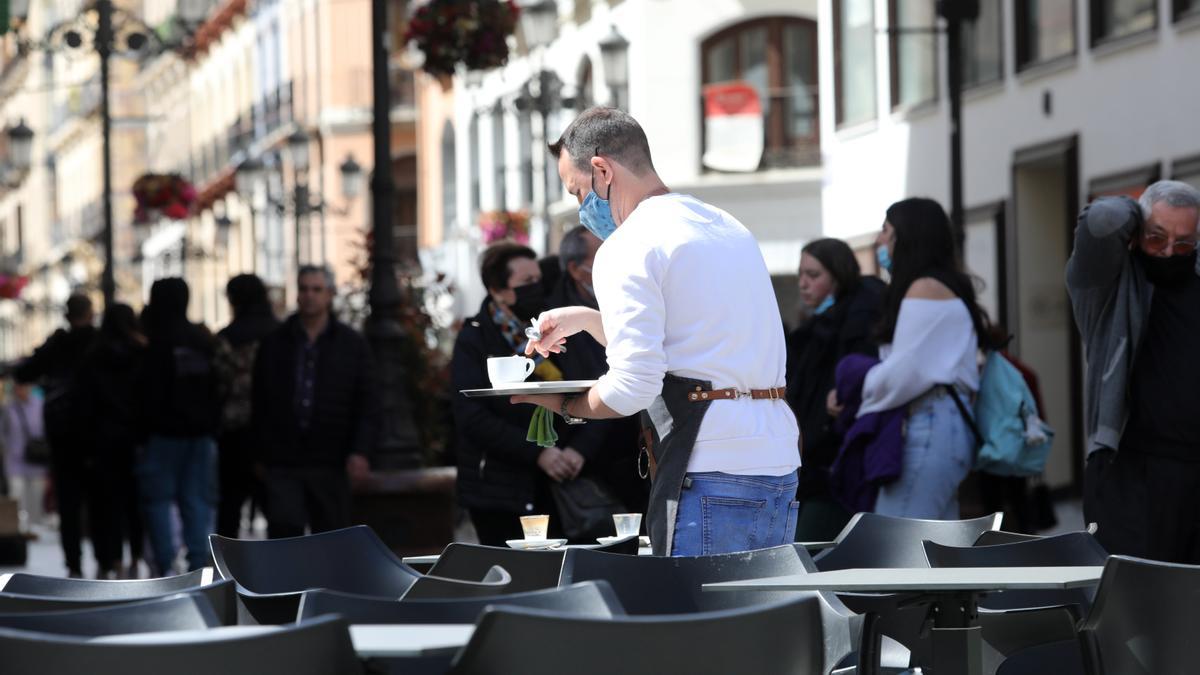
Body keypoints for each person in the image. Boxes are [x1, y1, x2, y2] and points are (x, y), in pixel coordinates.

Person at [518, 107, 800, 556]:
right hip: (776, 458)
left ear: (602, 170)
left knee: (696, 626)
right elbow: (695, 342)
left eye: (577, 192)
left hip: (707, 465)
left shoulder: (627, 246)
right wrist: (589, 321)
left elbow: (632, 385)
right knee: (759, 624)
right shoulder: (726, 226)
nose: (580, 208)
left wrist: (563, 403)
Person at [833, 198, 992, 520]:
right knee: (930, 551)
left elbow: (905, 371)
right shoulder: (935, 285)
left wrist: (857, 388)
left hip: (929, 422)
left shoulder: (925, 288)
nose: (880, 240)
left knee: (899, 548)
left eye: (885, 230)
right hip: (939, 422)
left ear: (908, 236)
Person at [1067, 180, 1200, 562]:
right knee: (1135, 607)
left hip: (1194, 476)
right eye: (1157, 237)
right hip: (1129, 473)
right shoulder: (1106, 282)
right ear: (1137, 233)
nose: (1170, 251)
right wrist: (1136, 210)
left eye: (1185, 243)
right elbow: (1100, 221)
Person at [450, 242, 574, 545]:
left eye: (538, 280)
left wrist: (574, 450)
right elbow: (471, 415)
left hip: (553, 483)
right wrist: (537, 452)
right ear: (498, 290)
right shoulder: (474, 339)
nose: (537, 288)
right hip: (495, 488)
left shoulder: (549, 332)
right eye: (527, 283)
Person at [253, 265, 377, 539]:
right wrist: (261, 451)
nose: (309, 296)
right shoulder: (275, 343)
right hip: (284, 458)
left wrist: (360, 451)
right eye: (304, 289)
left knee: (331, 539)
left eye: (316, 289)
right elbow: (260, 400)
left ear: (330, 294)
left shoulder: (351, 345)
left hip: (331, 458)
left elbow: (366, 401)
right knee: (285, 536)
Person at [547, 226, 648, 521]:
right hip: (586, 460)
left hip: (632, 449)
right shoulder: (558, 320)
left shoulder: (627, 302)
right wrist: (580, 448)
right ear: (576, 270)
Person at [785, 238, 883, 541]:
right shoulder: (818, 326)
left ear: (838, 276)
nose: (803, 284)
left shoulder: (856, 321)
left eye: (813, 276)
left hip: (834, 464)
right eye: (800, 275)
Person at [139, 278, 222, 575]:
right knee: (196, 500)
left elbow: (148, 393)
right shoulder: (201, 341)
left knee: (159, 501)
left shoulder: (155, 343)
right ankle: (198, 562)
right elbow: (215, 388)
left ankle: (165, 564)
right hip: (199, 434)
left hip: (162, 434)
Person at [14, 294, 97, 577]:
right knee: (100, 499)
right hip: (97, 433)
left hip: (63, 435)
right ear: (90, 312)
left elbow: (24, 372)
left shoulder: (58, 344)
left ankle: (73, 564)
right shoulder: (99, 342)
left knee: (69, 502)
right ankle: (107, 559)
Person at [76, 304, 146, 578]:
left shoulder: (93, 356)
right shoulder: (142, 353)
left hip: (102, 440)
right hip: (136, 439)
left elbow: (84, 403)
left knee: (106, 504)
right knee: (135, 502)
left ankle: (111, 559)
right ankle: (137, 556)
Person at [214, 274, 279, 537]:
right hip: (274, 430)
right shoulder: (280, 334)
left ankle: (228, 570)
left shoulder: (227, 338)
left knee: (230, 504)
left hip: (235, 430)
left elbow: (219, 385)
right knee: (276, 508)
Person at [2, 381, 48, 530]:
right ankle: (19, 525)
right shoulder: (8, 408)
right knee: (17, 491)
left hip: (36, 458)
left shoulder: (40, 405)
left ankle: (35, 524)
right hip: (14, 457)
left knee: (36, 492)